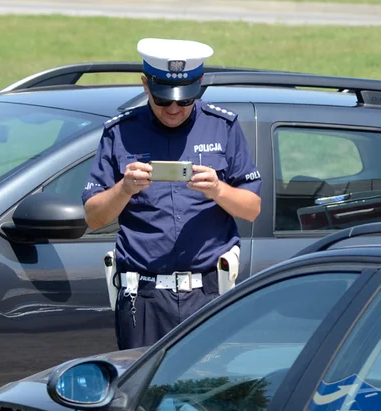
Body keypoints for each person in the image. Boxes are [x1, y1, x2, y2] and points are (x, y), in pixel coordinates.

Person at [83, 37, 262, 350]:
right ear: (145, 85)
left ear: (200, 85)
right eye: (164, 99)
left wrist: (218, 190)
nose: (174, 108)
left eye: (185, 99)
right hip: (144, 299)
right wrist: (124, 189)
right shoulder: (119, 132)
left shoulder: (223, 127)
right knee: (141, 393)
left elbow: (252, 209)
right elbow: (94, 217)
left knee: (208, 393)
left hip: (208, 295)